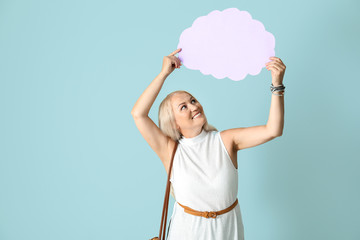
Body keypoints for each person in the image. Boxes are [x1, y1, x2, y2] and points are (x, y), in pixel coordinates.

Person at [131, 48, 286, 240]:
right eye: (184, 107)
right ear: (174, 123)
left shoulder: (226, 140)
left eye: (193, 100)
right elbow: (138, 114)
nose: (194, 106)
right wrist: (164, 73)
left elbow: (273, 130)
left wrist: (277, 85)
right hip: (186, 233)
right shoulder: (171, 150)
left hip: (228, 232)